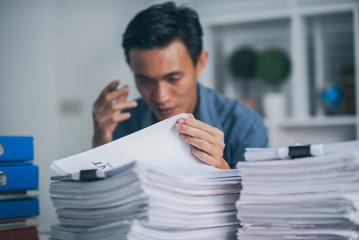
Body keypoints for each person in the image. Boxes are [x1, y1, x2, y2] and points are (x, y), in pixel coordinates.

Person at [92, 1, 268, 169]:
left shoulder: (244, 123)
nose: (161, 97)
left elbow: (257, 198)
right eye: (145, 81)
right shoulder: (123, 123)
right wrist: (101, 145)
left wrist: (221, 168)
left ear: (200, 63)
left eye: (173, 78)